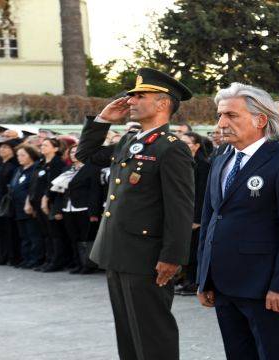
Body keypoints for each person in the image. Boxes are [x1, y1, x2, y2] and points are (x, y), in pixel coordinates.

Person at [76, 68, 195, 360]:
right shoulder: (131, 142)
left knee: (152, 334)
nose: (130, 101)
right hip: (118, 251)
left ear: (162, 103)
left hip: (146, 256)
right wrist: (102, 120)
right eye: (132, 96)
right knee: (128, 332)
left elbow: (180, 208)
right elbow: (86, 155)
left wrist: (172, 257)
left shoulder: (172, 149)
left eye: (140, 95)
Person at [196, 83, 279, 359]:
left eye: (231, 115)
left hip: (264, 286)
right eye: (220, 115)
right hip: (224, 284)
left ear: (260, 119)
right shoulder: (222, 160)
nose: (222, 123)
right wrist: (204, 277)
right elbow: (210, 218)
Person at [52, 144, 103, 274]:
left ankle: (88, 264)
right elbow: (59, 191)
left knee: (86, 238)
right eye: (71, 152)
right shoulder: (67, 169)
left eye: (76, 151)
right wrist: (57, 210)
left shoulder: (91, 169)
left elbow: (95, 192)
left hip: (84, 208)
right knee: (73, 238)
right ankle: (78, 263)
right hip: (68, 208)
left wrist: (93, 212)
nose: (73, 154)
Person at [175, 131, 210, 296]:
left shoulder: (203, 165)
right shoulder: (181, 162)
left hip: (195, 215)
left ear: (196, 146)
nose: (182, 146)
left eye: (186, 143)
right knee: (185, 249)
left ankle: (193, 282)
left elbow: (203, 193)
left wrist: (197, 219)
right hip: (182, 213)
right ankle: (184, 279)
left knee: (195, 250)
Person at [33, 138, 68, 272]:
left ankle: (57, 261)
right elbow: (34, 184)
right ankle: (48, 259)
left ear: (55, 148)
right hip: (38, 203)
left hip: (51, 203)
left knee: (54, 234)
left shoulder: (57, 163)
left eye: (46, 145)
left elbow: (54, 184)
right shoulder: (41, 163)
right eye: (42, 145)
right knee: (45, 234)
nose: (42, 147)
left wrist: (45, 199)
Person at [10, 144, 42, 269]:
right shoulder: (19, 170)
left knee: (33, 235)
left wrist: (30, 204)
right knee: (24, 235)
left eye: (23, 155)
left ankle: (35, 259)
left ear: (31, 155)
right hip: (18, 208)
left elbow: (32, 189)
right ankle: (27, 258)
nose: (20, 158)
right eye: (18, 155)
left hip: (29, 207)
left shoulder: (35, 169)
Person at [0, 138, 21, 266]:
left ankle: (12, 256)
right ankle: (2, 255)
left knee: (10, 232)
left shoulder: (13, 166)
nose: (1, 149)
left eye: (5, 147)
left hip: (7, 204)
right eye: (0, 147)